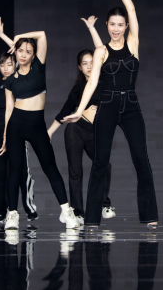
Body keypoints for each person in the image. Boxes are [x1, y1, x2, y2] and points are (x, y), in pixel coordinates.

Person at [63, 0, 158, 231]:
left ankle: (149, 216)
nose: (116, 28)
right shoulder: (101, 51)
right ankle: (92, 219)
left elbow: (131, 8)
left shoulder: (133, 43)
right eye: (112, 24)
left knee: (141, 159)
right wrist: (79, 110)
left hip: (130, 105)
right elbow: (92, 83)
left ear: (126, 26)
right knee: (100, 162)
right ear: (107, 25)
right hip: (106, 105)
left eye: (120, 24)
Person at [0, 19, 78, 230]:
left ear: (33, 55)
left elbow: (41, 34)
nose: (23, 54)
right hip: (16, 124)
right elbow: (9, 108)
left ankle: (66, 211)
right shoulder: (10, 80)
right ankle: (12, 214)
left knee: (50, 167)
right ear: (15, 52)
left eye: (28, 51)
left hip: (37, 125)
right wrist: (4, 135)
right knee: (15, 170)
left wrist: (17, 37)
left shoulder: (39, 67)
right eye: (20, 50)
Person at [48, 16, 116, 225]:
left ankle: (104, 203)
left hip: (95, 131)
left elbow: (103, 50)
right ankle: (78, 212)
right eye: (84, 64)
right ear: (79, 67)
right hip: (76, 129)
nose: (89, 66)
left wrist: (92, 29)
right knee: (75, 171)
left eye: (91, 63)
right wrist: (50, 131)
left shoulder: (105, 81)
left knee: (105, 166)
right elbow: (65, 110)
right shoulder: (78, 88)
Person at [0, 51, 38, 222]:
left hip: (17, 130)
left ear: (16, 64)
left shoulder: (21, 82)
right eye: (2, 65)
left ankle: (29, 207)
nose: (5, 68)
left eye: (9, 64)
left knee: (22, 171)